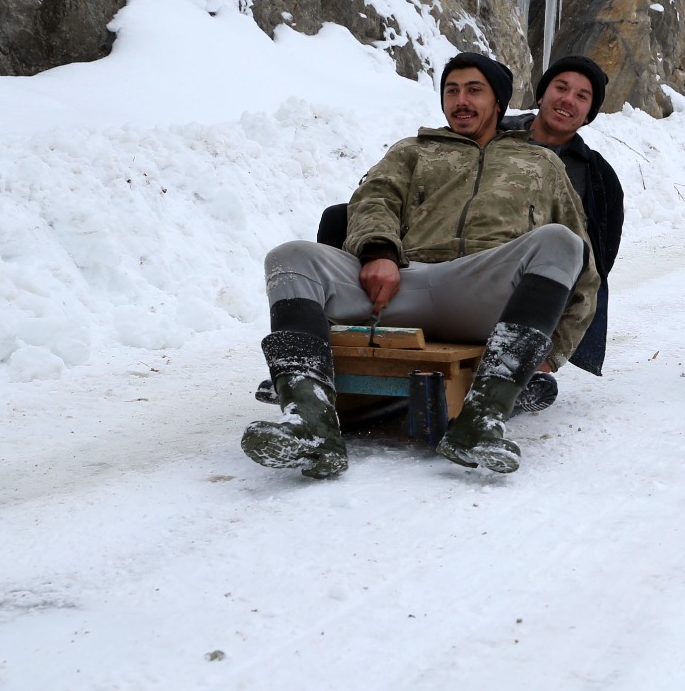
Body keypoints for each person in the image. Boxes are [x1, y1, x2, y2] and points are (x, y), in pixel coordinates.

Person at [242, 52, 599, 479]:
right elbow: (373, 201)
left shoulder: (542, 164)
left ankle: (481, 423)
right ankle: (310, 423)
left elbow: (583, 267)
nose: (460, 100)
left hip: (480, 295)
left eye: (473, 90)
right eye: (452, 90)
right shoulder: (413, 151)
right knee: (289, 257)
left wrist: (553, 351)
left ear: (499, 103)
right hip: (401, 286)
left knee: (561, 241)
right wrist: (378, 253)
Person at [499, 55, 625, 410]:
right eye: (561, 87)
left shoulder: (597, 176)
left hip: (537, 281)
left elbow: (601, 254)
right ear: (541, 95)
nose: (568, 100)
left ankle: (527, 363)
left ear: (589, 115)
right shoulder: (492, 135)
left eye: (582, 97)